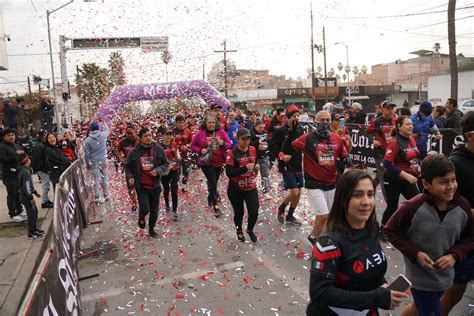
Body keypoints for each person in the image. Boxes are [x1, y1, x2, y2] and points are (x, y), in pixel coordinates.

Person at [384, 154, 474, 316]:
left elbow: (470, 237)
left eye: (453, 180)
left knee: (417, 309)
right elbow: (390, 230)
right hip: (421, 280)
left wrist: (454, 255)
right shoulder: (413, 207)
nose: (451, 186)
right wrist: (415, 254)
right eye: (443, 182)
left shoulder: (462, 207)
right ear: (426, 183)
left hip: (445, 277)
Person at [307, 170, 406, 315]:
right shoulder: (329, 242)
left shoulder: (371, 229)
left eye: (370, 194)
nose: (366, 202)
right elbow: (320, 292)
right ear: (343, 199)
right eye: (357, 195)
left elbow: (371, 266)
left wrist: (383, 287)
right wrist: (376, 297)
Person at [292, 110, 351, 245]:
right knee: (323, 215)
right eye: (321, 120)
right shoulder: (307, 138)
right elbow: (292, 147)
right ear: (316, 122)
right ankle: (313, 238)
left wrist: (347, 158)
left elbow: (343, 153)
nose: (325, 122)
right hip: (314, 183)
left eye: (327, 120)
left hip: (331, 182)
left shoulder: (336, 138)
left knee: (330, 215)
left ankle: (325, 238)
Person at [444, 111, 474, 314]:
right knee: (454, 292)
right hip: (464, 243)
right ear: (470, 135)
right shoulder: (455, 164)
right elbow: (446, 207)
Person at [125, 127, 169, 238]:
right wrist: (130, 179)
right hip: (141, 186)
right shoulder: (134, 152)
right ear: (140, 139)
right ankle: (141, 216)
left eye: (150, 135)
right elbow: (128, 167)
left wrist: (158, 170)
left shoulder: (158, 149)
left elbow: (166, 164)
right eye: (145, 136)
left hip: (155, 186)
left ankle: (151, 229)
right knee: (145, 208)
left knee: (154, 211)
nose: (148, 138)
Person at [381, 115, 420, 227]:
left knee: (417, 203)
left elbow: (415, 156)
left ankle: (406, 225)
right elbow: (387, 164)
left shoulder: (412, 139)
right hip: (393, 178)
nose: (411, 126)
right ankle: (383, 229)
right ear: (399, 126)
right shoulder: (394, 142)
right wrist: (406, 175)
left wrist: (419, 167)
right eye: (408, 124)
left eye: (412, 124)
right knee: (392, 206)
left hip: (408, 178)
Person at [191, 115, 232, 217]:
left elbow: (228, 144)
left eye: (213, 122)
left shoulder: (221, 132)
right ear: (205, 123)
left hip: (218, 162)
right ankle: (216, 206)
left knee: (214, 182)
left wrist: (222, 142)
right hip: (206, 162)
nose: (211, 124)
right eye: (209, 123)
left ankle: (210, 197)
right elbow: (192, 146)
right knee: (213, 182)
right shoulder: (200, 133)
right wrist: (201, 150)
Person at [269, 105, 304, 225]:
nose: (297, 118)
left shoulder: (300, 128)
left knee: (299, 193)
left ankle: (290, 216)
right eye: (294, 116)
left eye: (298, 116)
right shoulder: (280, 130)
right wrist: (281, 156)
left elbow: (303, 144)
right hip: (286, 164)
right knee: (294, 192)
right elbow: (272, 146)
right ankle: (281, 208)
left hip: (298, 163)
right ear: (288, 117)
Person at [225, 128, 260, 243]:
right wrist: (245, 168)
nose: (246, 141)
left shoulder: (253, 149)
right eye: (243, 139)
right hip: (235, 189)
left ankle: (250, 229)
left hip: (250, 187)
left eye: (248, 138)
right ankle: (239, 230)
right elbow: (229, 173)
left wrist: (256, 168)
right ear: (237, 139)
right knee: (239, 213)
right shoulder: (232, 153)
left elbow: (255, 163)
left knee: (254, 211)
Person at [366, 101, 397, 201]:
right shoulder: (376, 121)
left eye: (391, 108)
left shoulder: (396, 121)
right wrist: (373, 140)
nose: (390, 110)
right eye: (388, 108)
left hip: (393, 153)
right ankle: (388, 201)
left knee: (392, 175)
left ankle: (372, 186)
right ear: (382, 109)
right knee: (384, 177)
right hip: (380, 153)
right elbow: (367, 132)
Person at [0, 128, 26, 222]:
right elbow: (3, 159)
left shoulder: (16, 145)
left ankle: (19, 210)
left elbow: (21, 157)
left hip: (18, 173)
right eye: (9, 135)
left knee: (18, 193)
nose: (11, 137)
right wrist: (15, 154)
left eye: (13, 135)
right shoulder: (2, 147)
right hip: (8, 175)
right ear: (4, 137)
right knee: (12, 193)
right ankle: (12, 213)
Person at [17, 156, 44, 240]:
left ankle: (34, 228)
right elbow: (26, 186)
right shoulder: (25, 172)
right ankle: (31, 232)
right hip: (26, 197)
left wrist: (35, 192)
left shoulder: (24, 171)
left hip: (26, 195)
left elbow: (29, 185)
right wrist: (30, 197)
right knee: (31, 213)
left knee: (35, 211)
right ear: (26, 161)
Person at [115, 125, 140, 211]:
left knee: (140, 186)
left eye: (131, 133)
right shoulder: (122, 142)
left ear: (135, 132)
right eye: (127, 133)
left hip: (140, 167)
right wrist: (121, 159)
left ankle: (142, 200)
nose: (129, 135)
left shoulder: (140, 140)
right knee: (131, 185)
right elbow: (117, 150)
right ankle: (134, 202)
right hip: (129, 167)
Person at [85, 120, 110, 203]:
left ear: (91, 129)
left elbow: (87, 153)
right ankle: (106, 195)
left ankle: (97, 197)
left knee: (96, 178)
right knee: (104, 178)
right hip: (103, 161)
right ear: (98, 128)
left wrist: (87, 163)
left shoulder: (88, 140)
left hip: (94, 161)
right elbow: (107, 129)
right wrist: (103, 122)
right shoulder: (103, 135)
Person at [160, 130, 181, 221]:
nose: (169, 136)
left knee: (174, 190)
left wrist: (179, 156)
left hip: (174, 170)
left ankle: (175, 211)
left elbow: (177, 152)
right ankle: (167, 204)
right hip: (165, 171)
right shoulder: (159, 147)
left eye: (170, 134)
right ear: (162, 135)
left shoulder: (174, 144)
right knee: (166, 189)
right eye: (167, 134)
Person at [31, 130, 54, 209]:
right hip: (43, 169)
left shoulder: (42, 145)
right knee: (46, 185)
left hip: (44, 168)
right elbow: (36, 159)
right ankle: (45, 201)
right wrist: (41, 168)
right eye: (45, 135)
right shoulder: (38, 146)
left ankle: (46, 200)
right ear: (42, 136)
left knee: (46, 185)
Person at [250, 118, 271, 196]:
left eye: (263, 127)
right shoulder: (251, 133)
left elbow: (268, 141)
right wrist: (257, 142)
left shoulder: (265, 132)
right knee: (252, 174)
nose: (262, 129)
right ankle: (250, 189)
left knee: (265, 174)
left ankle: (265, 190)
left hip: (263, 156)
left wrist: (267, 145)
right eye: (260, 127)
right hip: (253, 157)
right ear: (255, 126)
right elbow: (249, 144)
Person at [173, 115, 192, 191]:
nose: (181, 124)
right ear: (176, 123)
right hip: (175, 155)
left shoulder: (188, 131)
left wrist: (187, 146)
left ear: (184, 123)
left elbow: (192, 142)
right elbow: (170, 143)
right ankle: (176, 186)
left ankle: (184, 187)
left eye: (182, 122)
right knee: (176, 172)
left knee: (186, 171)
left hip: (186, 155)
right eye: (179, 123)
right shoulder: (172, 132)